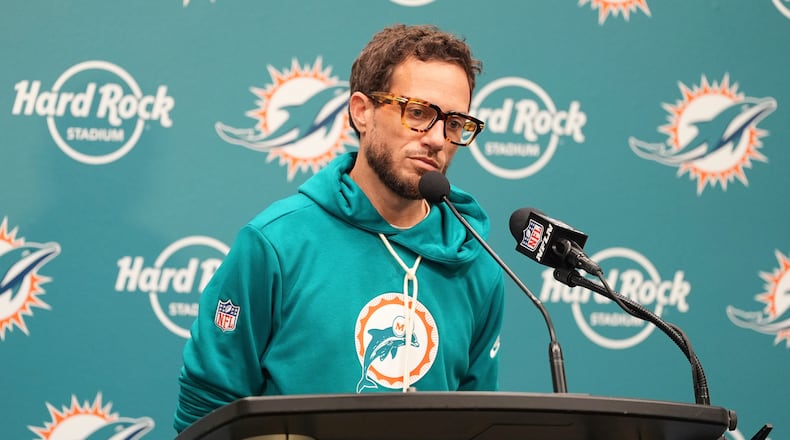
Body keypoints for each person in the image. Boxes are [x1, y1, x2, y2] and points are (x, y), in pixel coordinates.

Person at [174, 23, 505, 433]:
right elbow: (207, 408)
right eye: (418, 113)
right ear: (362, 111)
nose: (437, 139)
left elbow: (475, 425)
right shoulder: (276, 243)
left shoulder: (478, 264)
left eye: (455, 123)